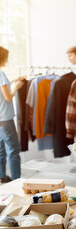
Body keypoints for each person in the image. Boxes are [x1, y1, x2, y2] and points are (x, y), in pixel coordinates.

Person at [0, 46, 25, 183]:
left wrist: (13, 80)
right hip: (5, 119)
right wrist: (16, 87)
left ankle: (2, 176)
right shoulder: (1, 74)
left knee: (1, 150)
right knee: (14, 150)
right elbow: (8, 97)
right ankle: (17, 180)